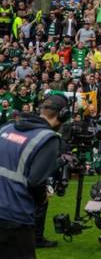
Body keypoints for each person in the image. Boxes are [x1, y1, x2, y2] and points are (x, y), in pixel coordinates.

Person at [0, 95, 65, 257]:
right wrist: (42, 197)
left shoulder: (6, 128)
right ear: (63, 115)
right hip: (15, 217)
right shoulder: (48, 138)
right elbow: (36, 181)